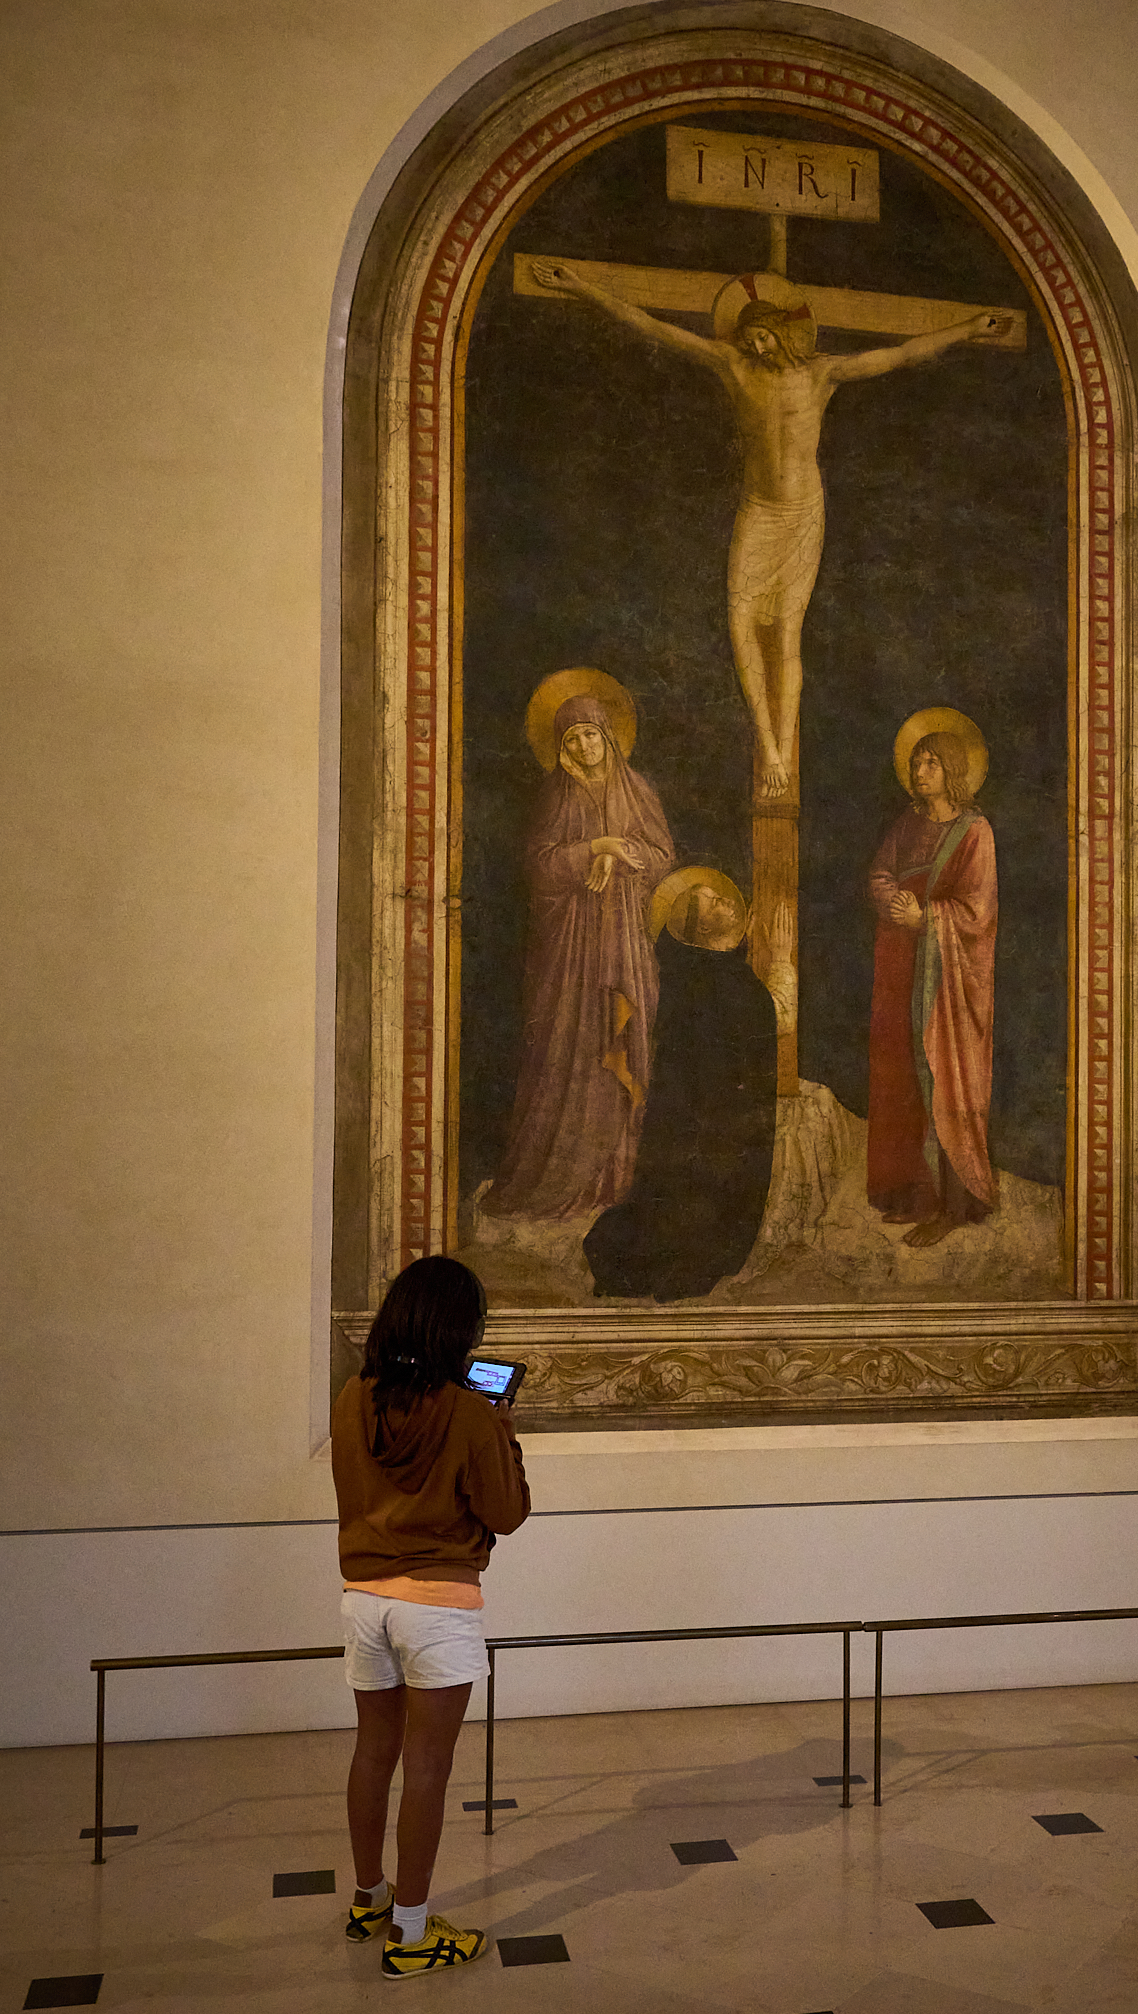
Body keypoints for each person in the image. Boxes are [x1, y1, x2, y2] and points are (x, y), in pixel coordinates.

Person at [533, 257, 1000, 797]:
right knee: (740, 622)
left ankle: (783, 740)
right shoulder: (733, 367)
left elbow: (897, 355)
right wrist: (584, 288)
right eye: (749, 340)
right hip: (761, 508)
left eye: (763, 338)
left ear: (781, 331)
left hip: (802, 513)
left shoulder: (820, 374)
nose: (756, 348)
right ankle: (768, 744)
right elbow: (656, 328)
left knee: (786, 632)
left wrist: (967, 329)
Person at [331, 1255, 531, 1978]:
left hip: (363, 1597)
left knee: (372, 1752)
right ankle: (411, 1936)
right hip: (436, 1605)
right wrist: (503, 1432)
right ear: (458, 1330)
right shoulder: (469, 1411)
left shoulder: (354, 1397)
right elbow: (506, 1513)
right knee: (427, 1768)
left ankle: (368, 1900)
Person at [483, 690, 674, 1219]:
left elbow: (662, 857)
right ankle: (565, 1173)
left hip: (627, 940)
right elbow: (539, 866)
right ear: (562, 747)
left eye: (591, 733)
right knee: (572, 1044)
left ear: (608, 735)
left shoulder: (638, 789)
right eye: (573, 739)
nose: (585, 746)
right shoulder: (555, 796)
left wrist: (622, 854)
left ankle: (619, 1180)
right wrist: (594, 848)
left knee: (626, 1042)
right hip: (570, 947)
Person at [584, 873, 779, 1300]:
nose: (724, 900)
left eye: (719, 896)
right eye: (711, 902)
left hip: (726, 1123)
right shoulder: (703, 982)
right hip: (704, 1127)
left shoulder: (723, 977)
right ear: (702, 927)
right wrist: (780, 962)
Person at [867, 727, 998, 1246]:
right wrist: (891, 900)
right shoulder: (907, 823)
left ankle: (954, 1204)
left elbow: (979, 910)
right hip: (900, 961)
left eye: (930, 764)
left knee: (943, 1072)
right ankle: (917, 1194)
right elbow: (880, 873)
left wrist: (926, 917)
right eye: (916, 763)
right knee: (901, 1069)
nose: (919, 773)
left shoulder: (975, 831)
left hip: (946, 976)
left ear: (953, 770)